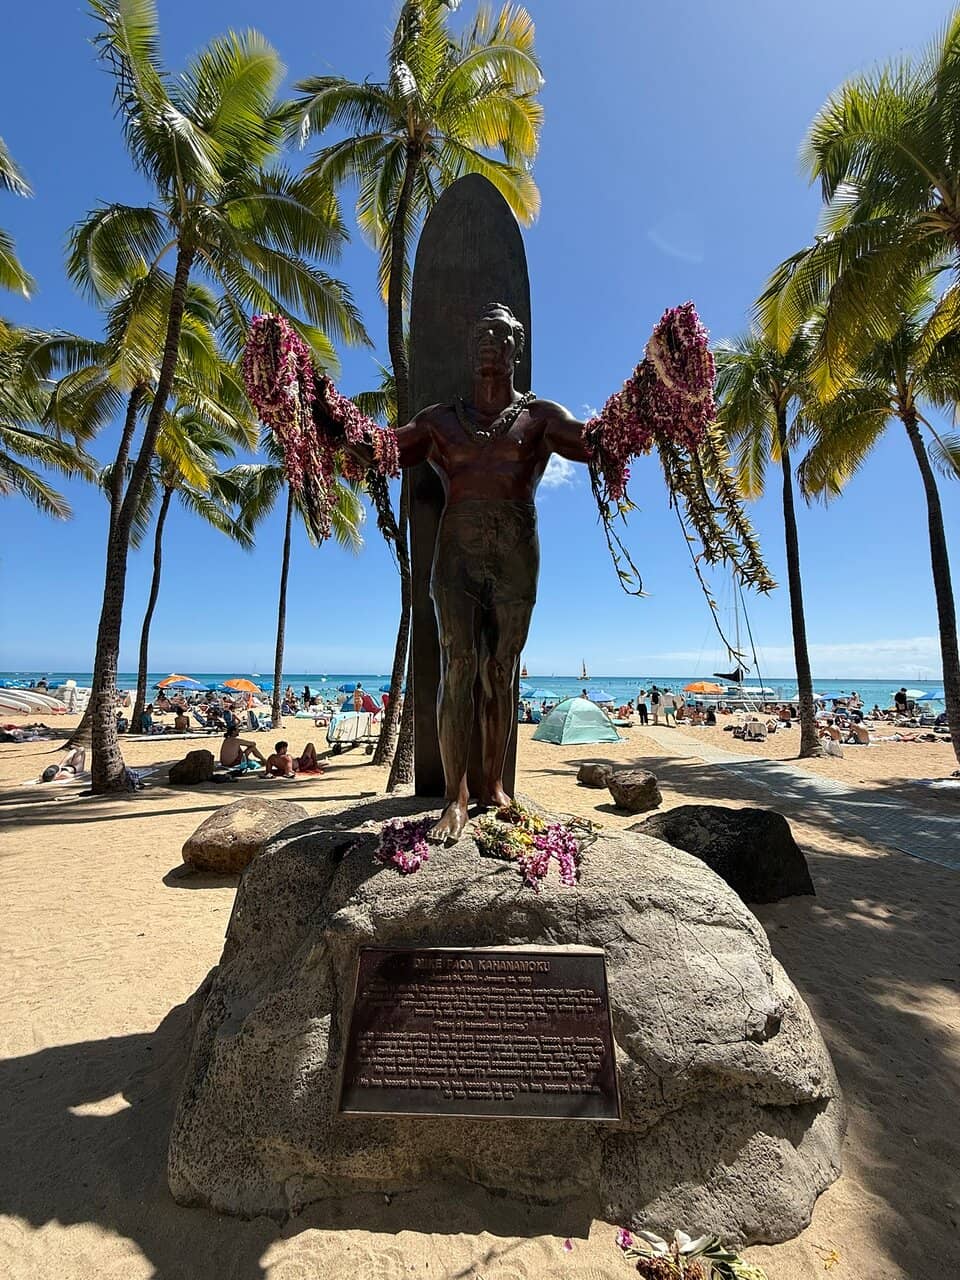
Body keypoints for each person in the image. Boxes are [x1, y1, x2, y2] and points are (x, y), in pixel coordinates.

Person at [330, 302, 594, 842]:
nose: (488, 343)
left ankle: (494, 787)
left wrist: (654, 397)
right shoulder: (438, 423)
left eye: (499, 335)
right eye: (480, 335)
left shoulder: (539, 417)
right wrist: (316, 407)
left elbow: (592, 443)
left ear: (517, 347)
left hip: (517, 546)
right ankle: (455, 797)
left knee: (501, 670)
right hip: (457, 552)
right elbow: (380, 449)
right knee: (459, 666)